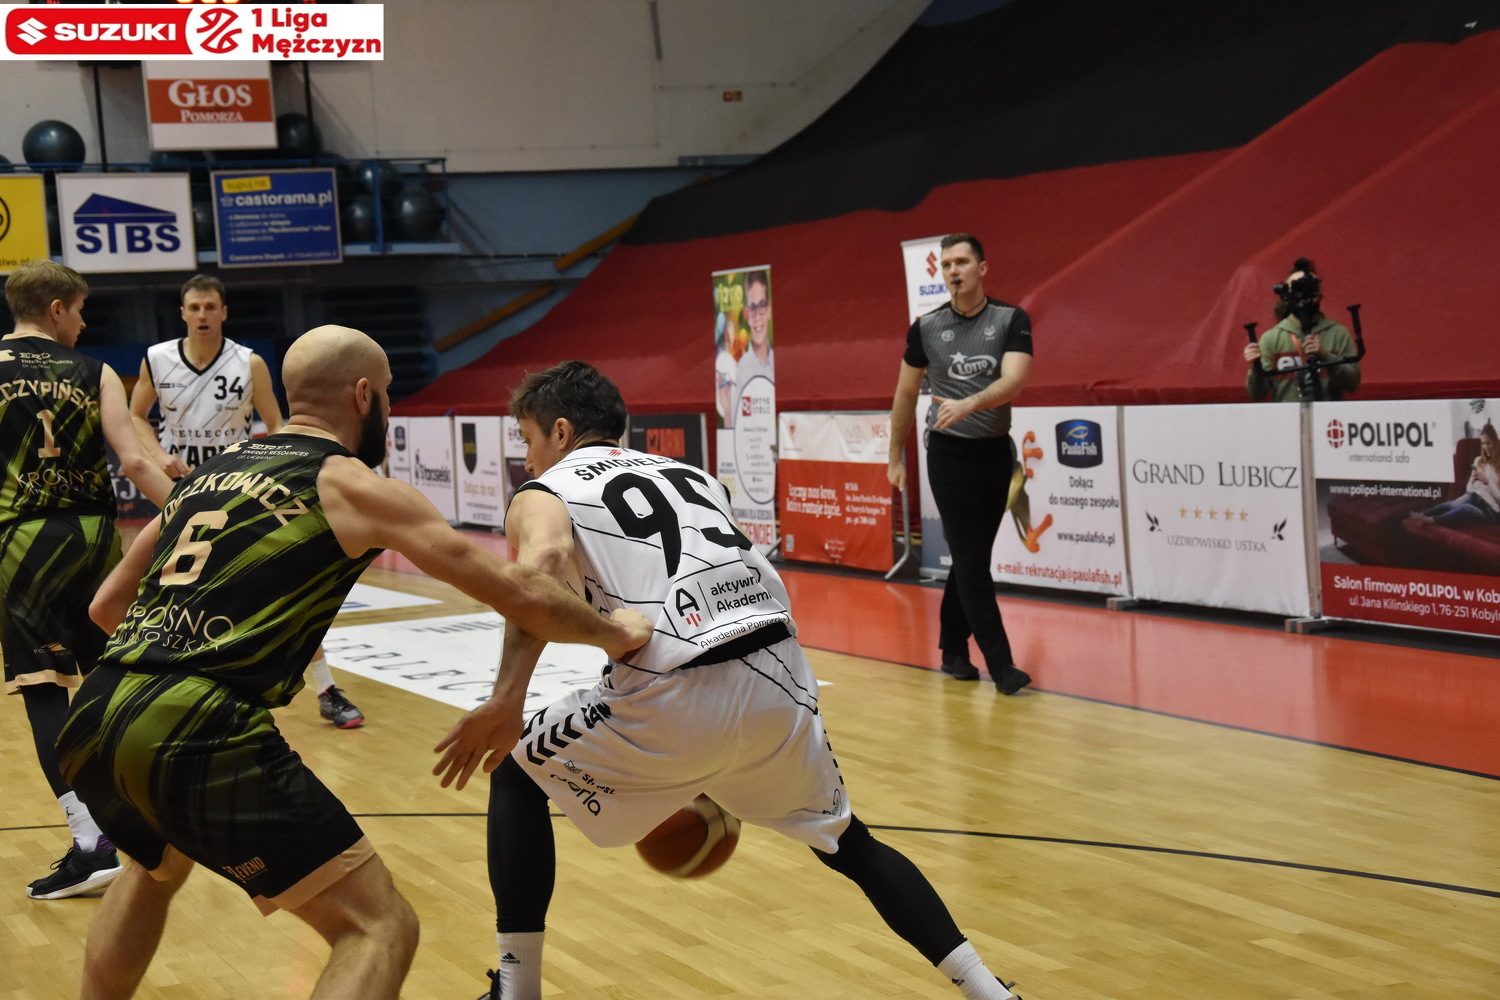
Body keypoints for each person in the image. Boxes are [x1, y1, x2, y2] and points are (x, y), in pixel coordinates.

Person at [58, 327, 652, 1000]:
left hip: (98, 709)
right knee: (377, 927)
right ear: (363, 395)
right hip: (196, 725)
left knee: (155, 867)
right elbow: (519, 590)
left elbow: (107, 607)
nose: (389, 410)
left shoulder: (209, 476)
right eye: (389, 394)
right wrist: (613, 633)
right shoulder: (352, 483)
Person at [433, 361, 1024, 1000]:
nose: (526, 460)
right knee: (851, 843)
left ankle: (517, 990)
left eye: (527, 439)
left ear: (561, 431)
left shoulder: (545, 489)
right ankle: (989, 991)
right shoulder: (694, 475)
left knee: (516, 774)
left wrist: (507, 700)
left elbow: (540, 569)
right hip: (780, 677)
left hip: (675, 687)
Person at [1, 259, 174, 900]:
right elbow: (135, 461)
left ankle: (92, 841)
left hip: (23, 543)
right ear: (55, 309)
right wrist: (198, 520)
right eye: (78, 311)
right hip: (97, 540)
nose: (82, 323)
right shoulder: (95, 370)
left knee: (45, 691)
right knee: (109, 679)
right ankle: (145, 809)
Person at [131, 274, 364, 729]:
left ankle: (325, 688)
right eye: (194, 307)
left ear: (223, 312)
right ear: (183, 313)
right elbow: (136, 415)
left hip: (236, 489)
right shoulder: (156, 359)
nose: (202, 315)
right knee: (166, 585)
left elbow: (278, 424)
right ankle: (163, 676)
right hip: (181, 489)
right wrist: (157, 454)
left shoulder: (249, 362)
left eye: (210, 307)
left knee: (278, 584)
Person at [887, 233, 1036, 694]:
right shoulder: (926, 327)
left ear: (982, 268)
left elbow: (1014, 382)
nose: (953, 271)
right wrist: (894, 455)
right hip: (948, 454)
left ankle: (952, 648)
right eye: (947, 264)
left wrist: (970, 403)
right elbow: (905, 393)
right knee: (971, 560)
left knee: (972, 557)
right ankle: (1001, 665)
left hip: (994, 452)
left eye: (962, 262)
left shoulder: (1011, 319)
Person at [1243, 257, 1360, 402]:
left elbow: (1352, 383)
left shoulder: (1337, 333)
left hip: (1328, 415)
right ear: (1285, 295)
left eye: (1311, 287)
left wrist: (1324, 355)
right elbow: (1257, 394)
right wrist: (1255, 368)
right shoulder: (1272, 338)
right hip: (1287, 415)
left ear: (1319, 295)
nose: (1305, 294)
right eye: (1297, 287)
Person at [1406, 422, 1500, 528]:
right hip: (1475, 497)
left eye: (1488, 443)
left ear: (1495, 443)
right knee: (1455, 503)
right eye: (1483, 443)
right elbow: (1469, 489)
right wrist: (1472, 481)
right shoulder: (1478, 460)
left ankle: (1432, 520)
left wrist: (1488, 482)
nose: (1486, 447)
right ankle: (1423, 514)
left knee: (1466, 508)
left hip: (1491, 511)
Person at [731, 269, 774, 411]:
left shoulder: (778, 364)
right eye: (753, 308)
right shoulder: (741, 370)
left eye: (762, 306)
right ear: (746, 314)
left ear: (769, 309)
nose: (757, 317)